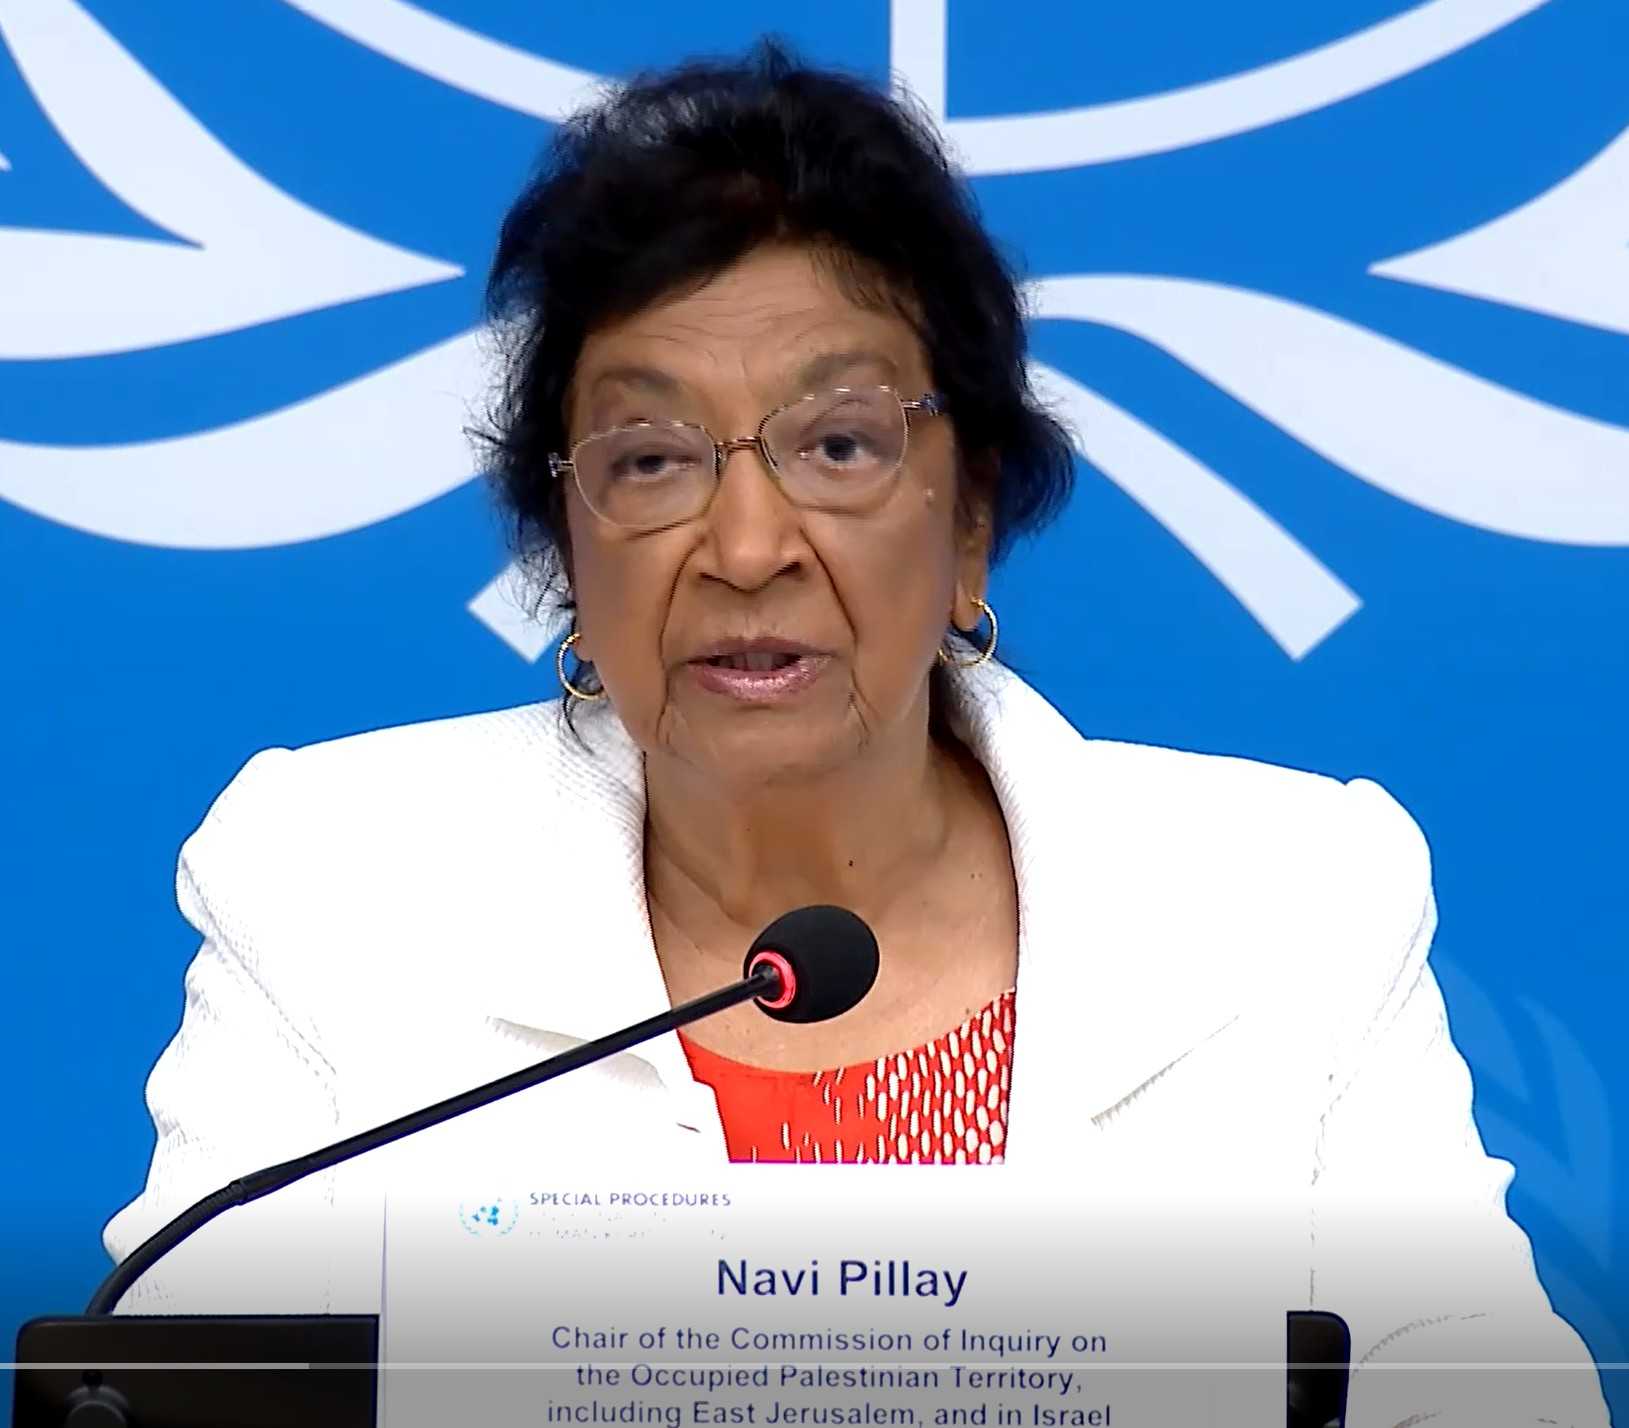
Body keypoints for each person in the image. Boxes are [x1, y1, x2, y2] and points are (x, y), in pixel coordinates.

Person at [103, 41, 1608, 1427]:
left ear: (968, 524)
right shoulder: (332, 890)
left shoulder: (1292, 905)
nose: (747, 545)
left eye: (838, 444)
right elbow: (177, 1398)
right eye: (651, 458)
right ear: (567, 545)